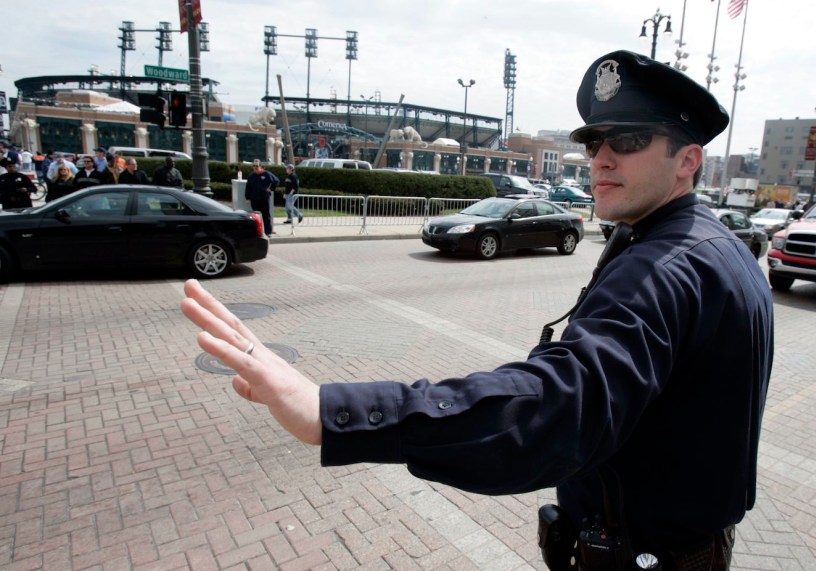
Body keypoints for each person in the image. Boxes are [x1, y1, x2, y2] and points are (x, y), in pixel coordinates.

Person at [181, 50, 773, 570]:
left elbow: (557, 407)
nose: (601, 159)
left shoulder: (663, 266)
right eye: (595, 142)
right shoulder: (711, 245)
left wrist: (331, 411)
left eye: (630, 141)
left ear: (688, 161)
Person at [244, 159, 278, 235]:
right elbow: (248, 188)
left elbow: (276, 181)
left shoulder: (266, 174)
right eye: (254, 166)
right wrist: (248, 198)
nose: (255, 167)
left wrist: (271, 189)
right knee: (256, 217)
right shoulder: (251, 176)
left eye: (257, 166)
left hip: (264, 199)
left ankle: (268, 232)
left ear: (260, 166)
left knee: (266, 216)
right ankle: (257, 233)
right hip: (254, 200)